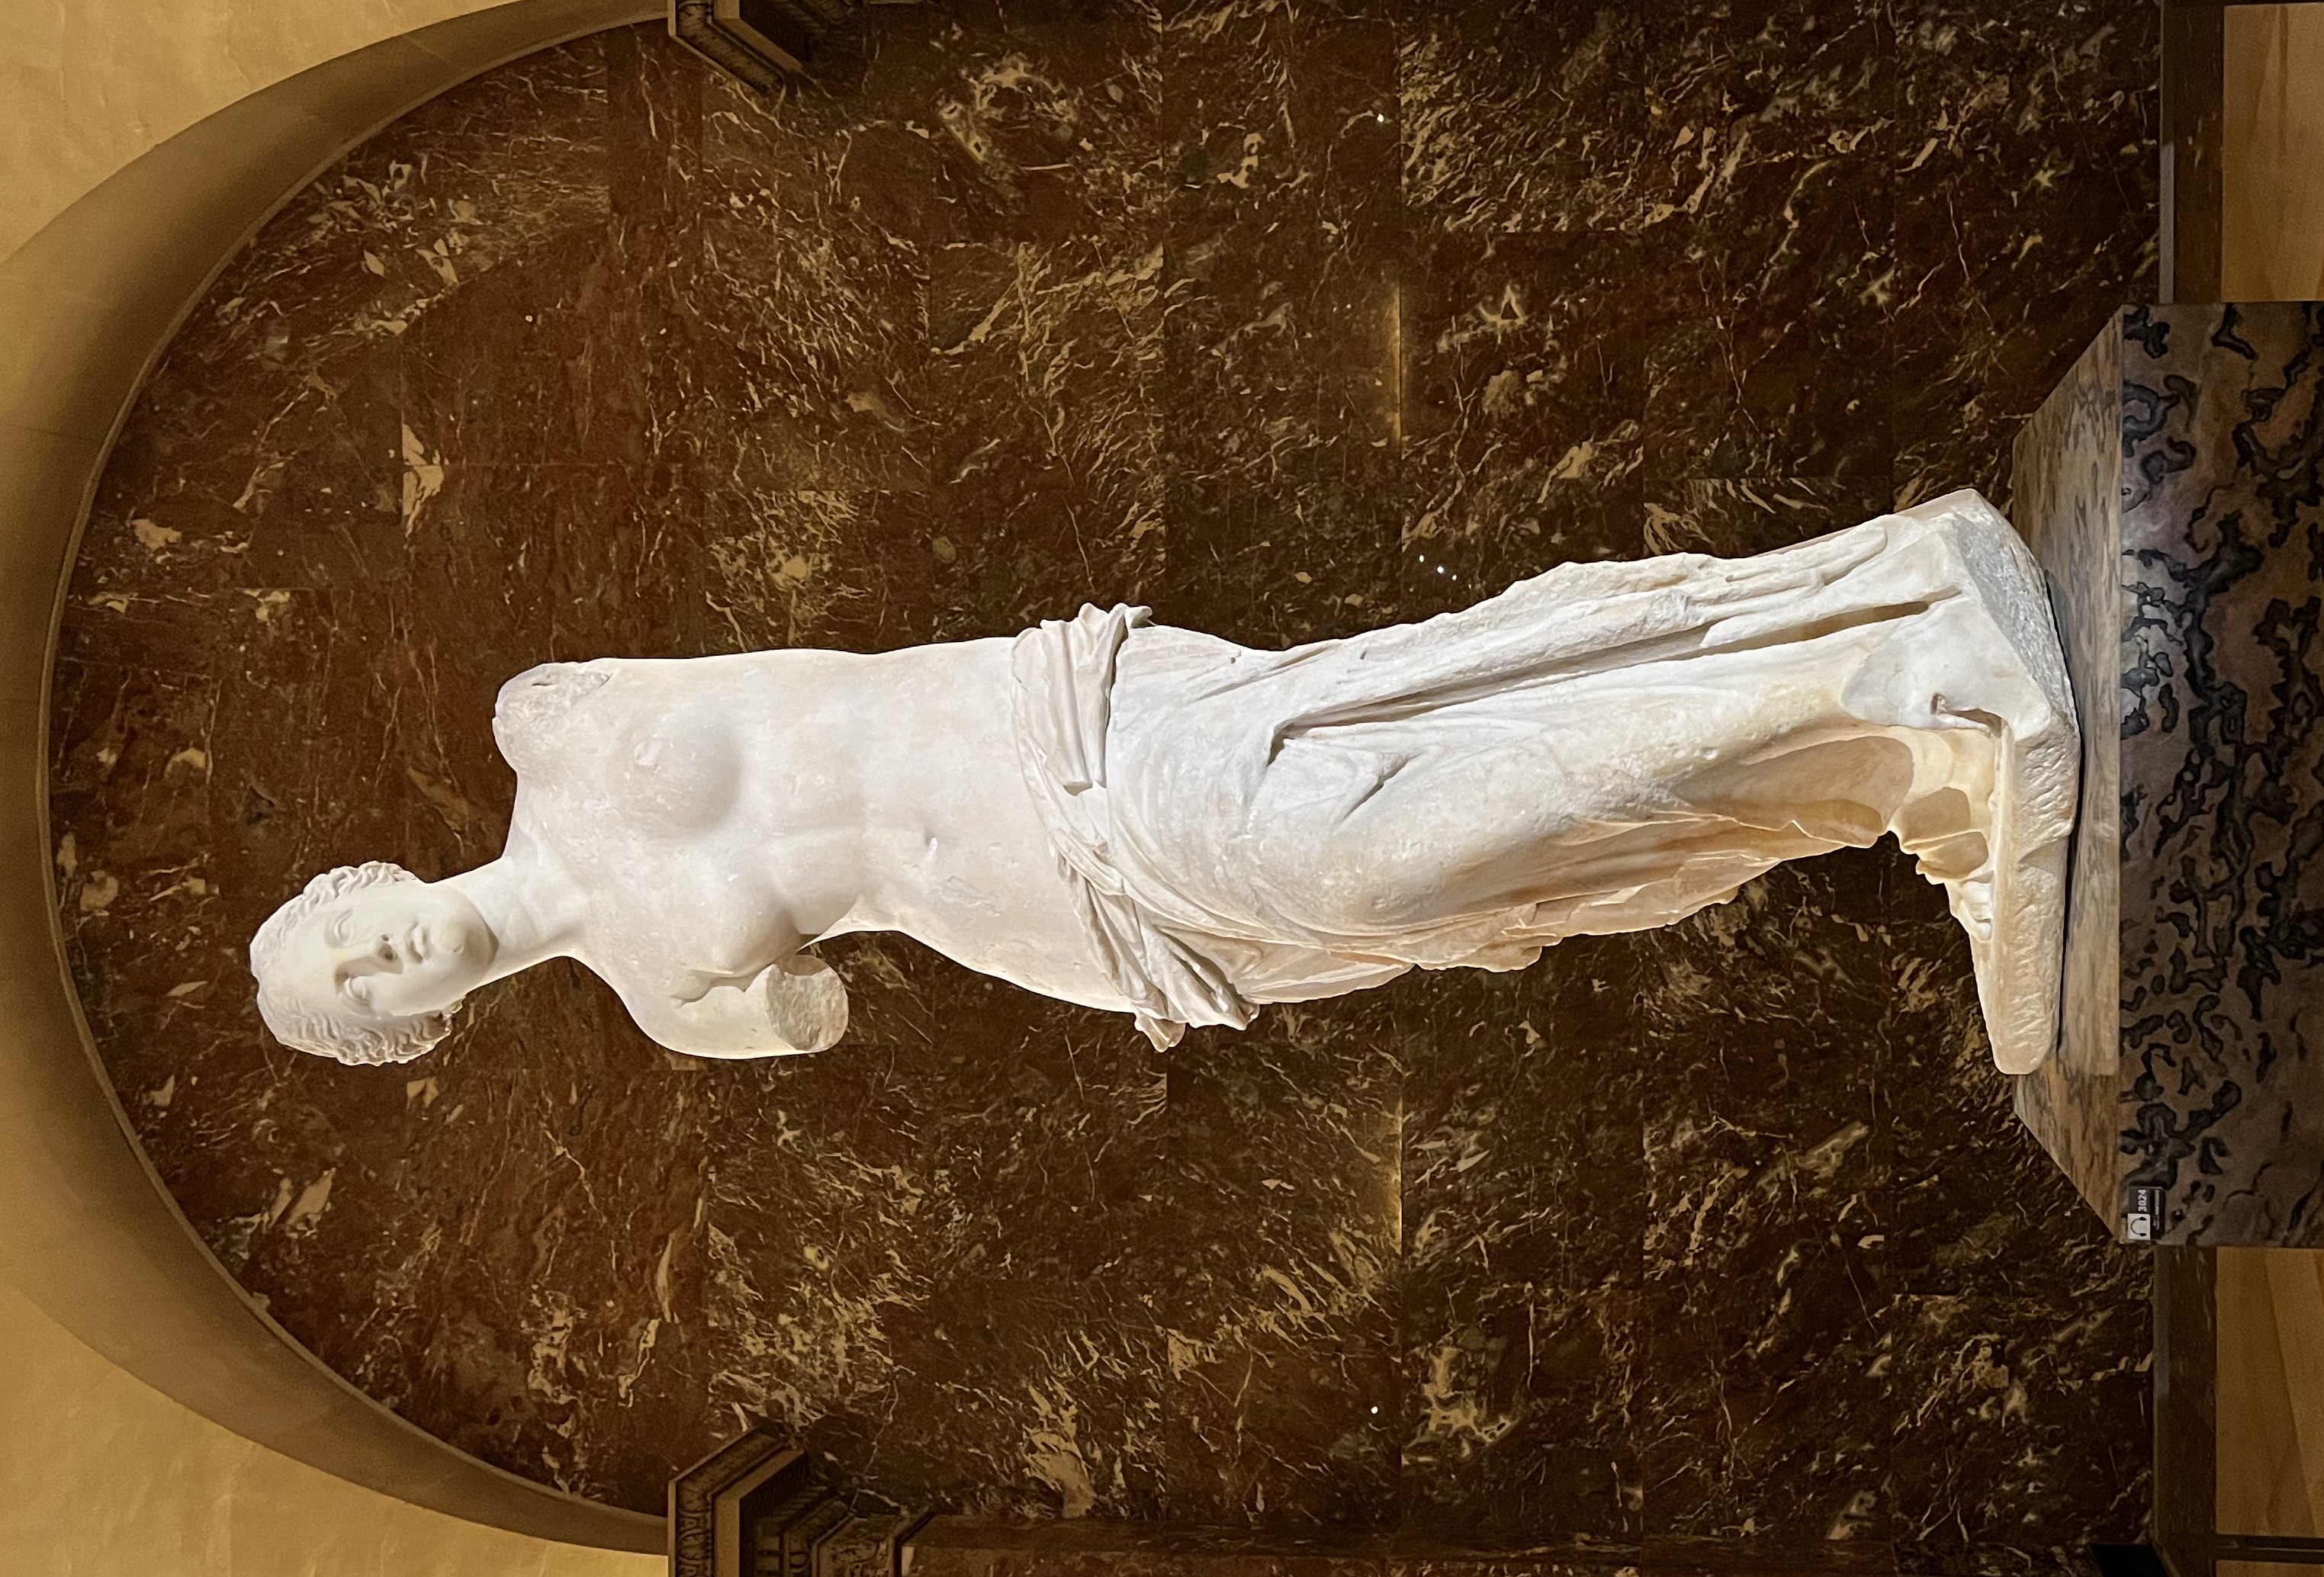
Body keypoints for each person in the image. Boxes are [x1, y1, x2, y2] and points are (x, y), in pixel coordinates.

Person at [249, 490, 2079, 1076]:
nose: (379, 967)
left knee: (1406, 832)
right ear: (418, 1038)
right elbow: (811, 1008)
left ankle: (1904, 649)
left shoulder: (540, 724)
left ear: (353, 887)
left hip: (1065, 738)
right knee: (1482, 877)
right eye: (365, 1010)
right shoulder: (667, 1006)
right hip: (1089, 925)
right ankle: (1894, 747)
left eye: (344, 946)